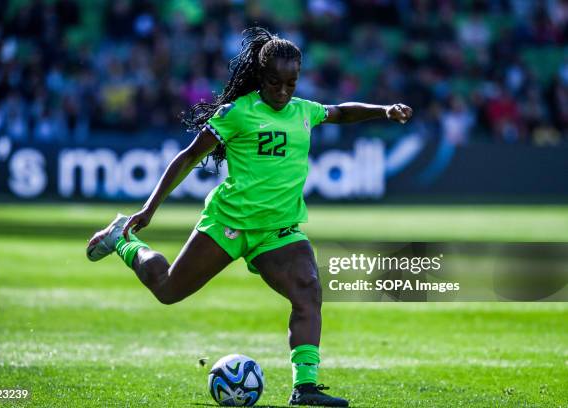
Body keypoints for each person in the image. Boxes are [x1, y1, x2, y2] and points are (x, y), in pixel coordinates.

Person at [86, 27, 412, 407]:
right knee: (168, 290)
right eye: (275, 82)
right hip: (230, 224)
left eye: (291, 83)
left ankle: (305, 389)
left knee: (308, 291)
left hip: (277, 232)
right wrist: (150, 207)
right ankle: (123, 240)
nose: (284, 91)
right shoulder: (237, 113)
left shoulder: (304, 111)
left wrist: (384, 110)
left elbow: (340, 111)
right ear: (261, 78)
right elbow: (188, 157)